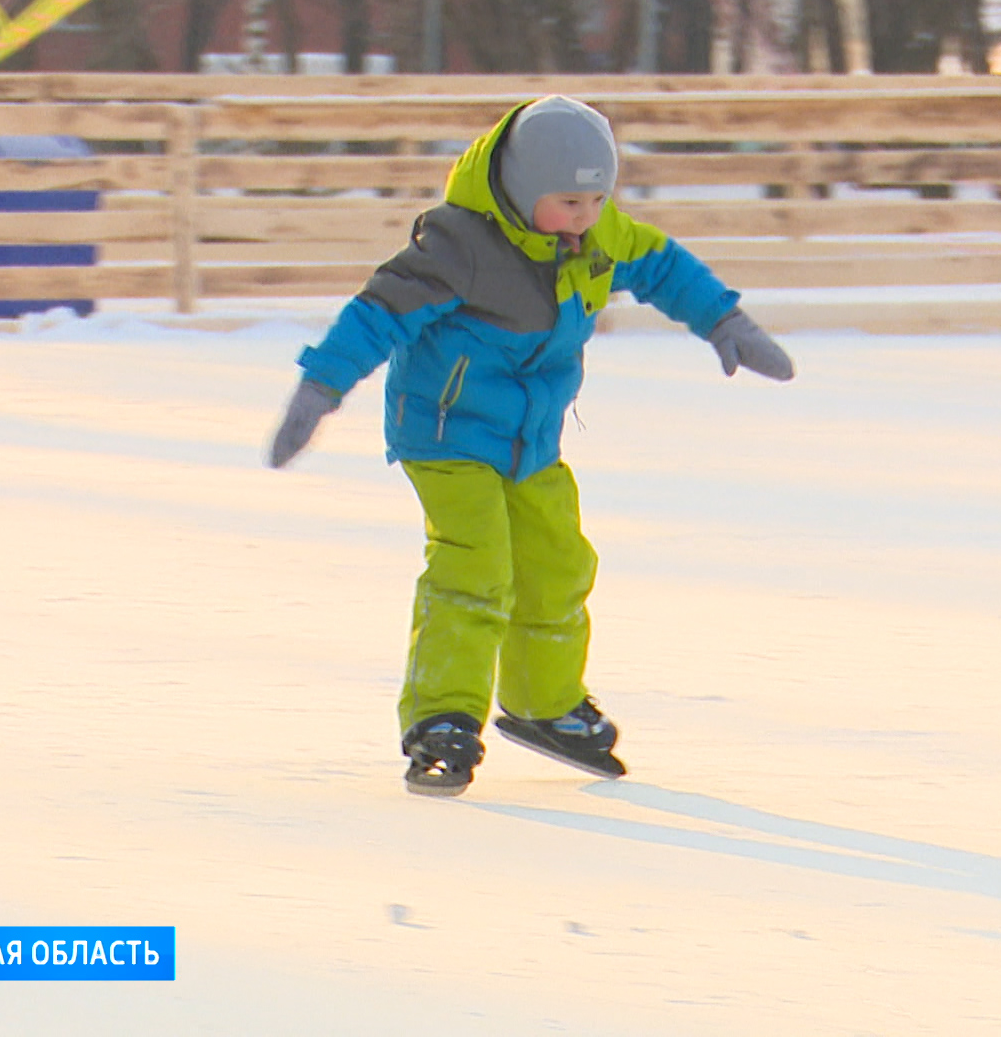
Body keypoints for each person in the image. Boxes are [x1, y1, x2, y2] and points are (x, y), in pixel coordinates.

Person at [265, 95, 795, 795]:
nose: (583, 215)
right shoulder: (459, 248)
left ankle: (545, 705)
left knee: (557, 563)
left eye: (596, 199)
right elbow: (377, 316)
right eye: (566, 200)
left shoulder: (602, 237)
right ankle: (442, 719)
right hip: (445, 430)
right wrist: (320, 388)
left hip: (530, 439)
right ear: (519, 193)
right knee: (474, 566)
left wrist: (725, 321)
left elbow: (665, 266)